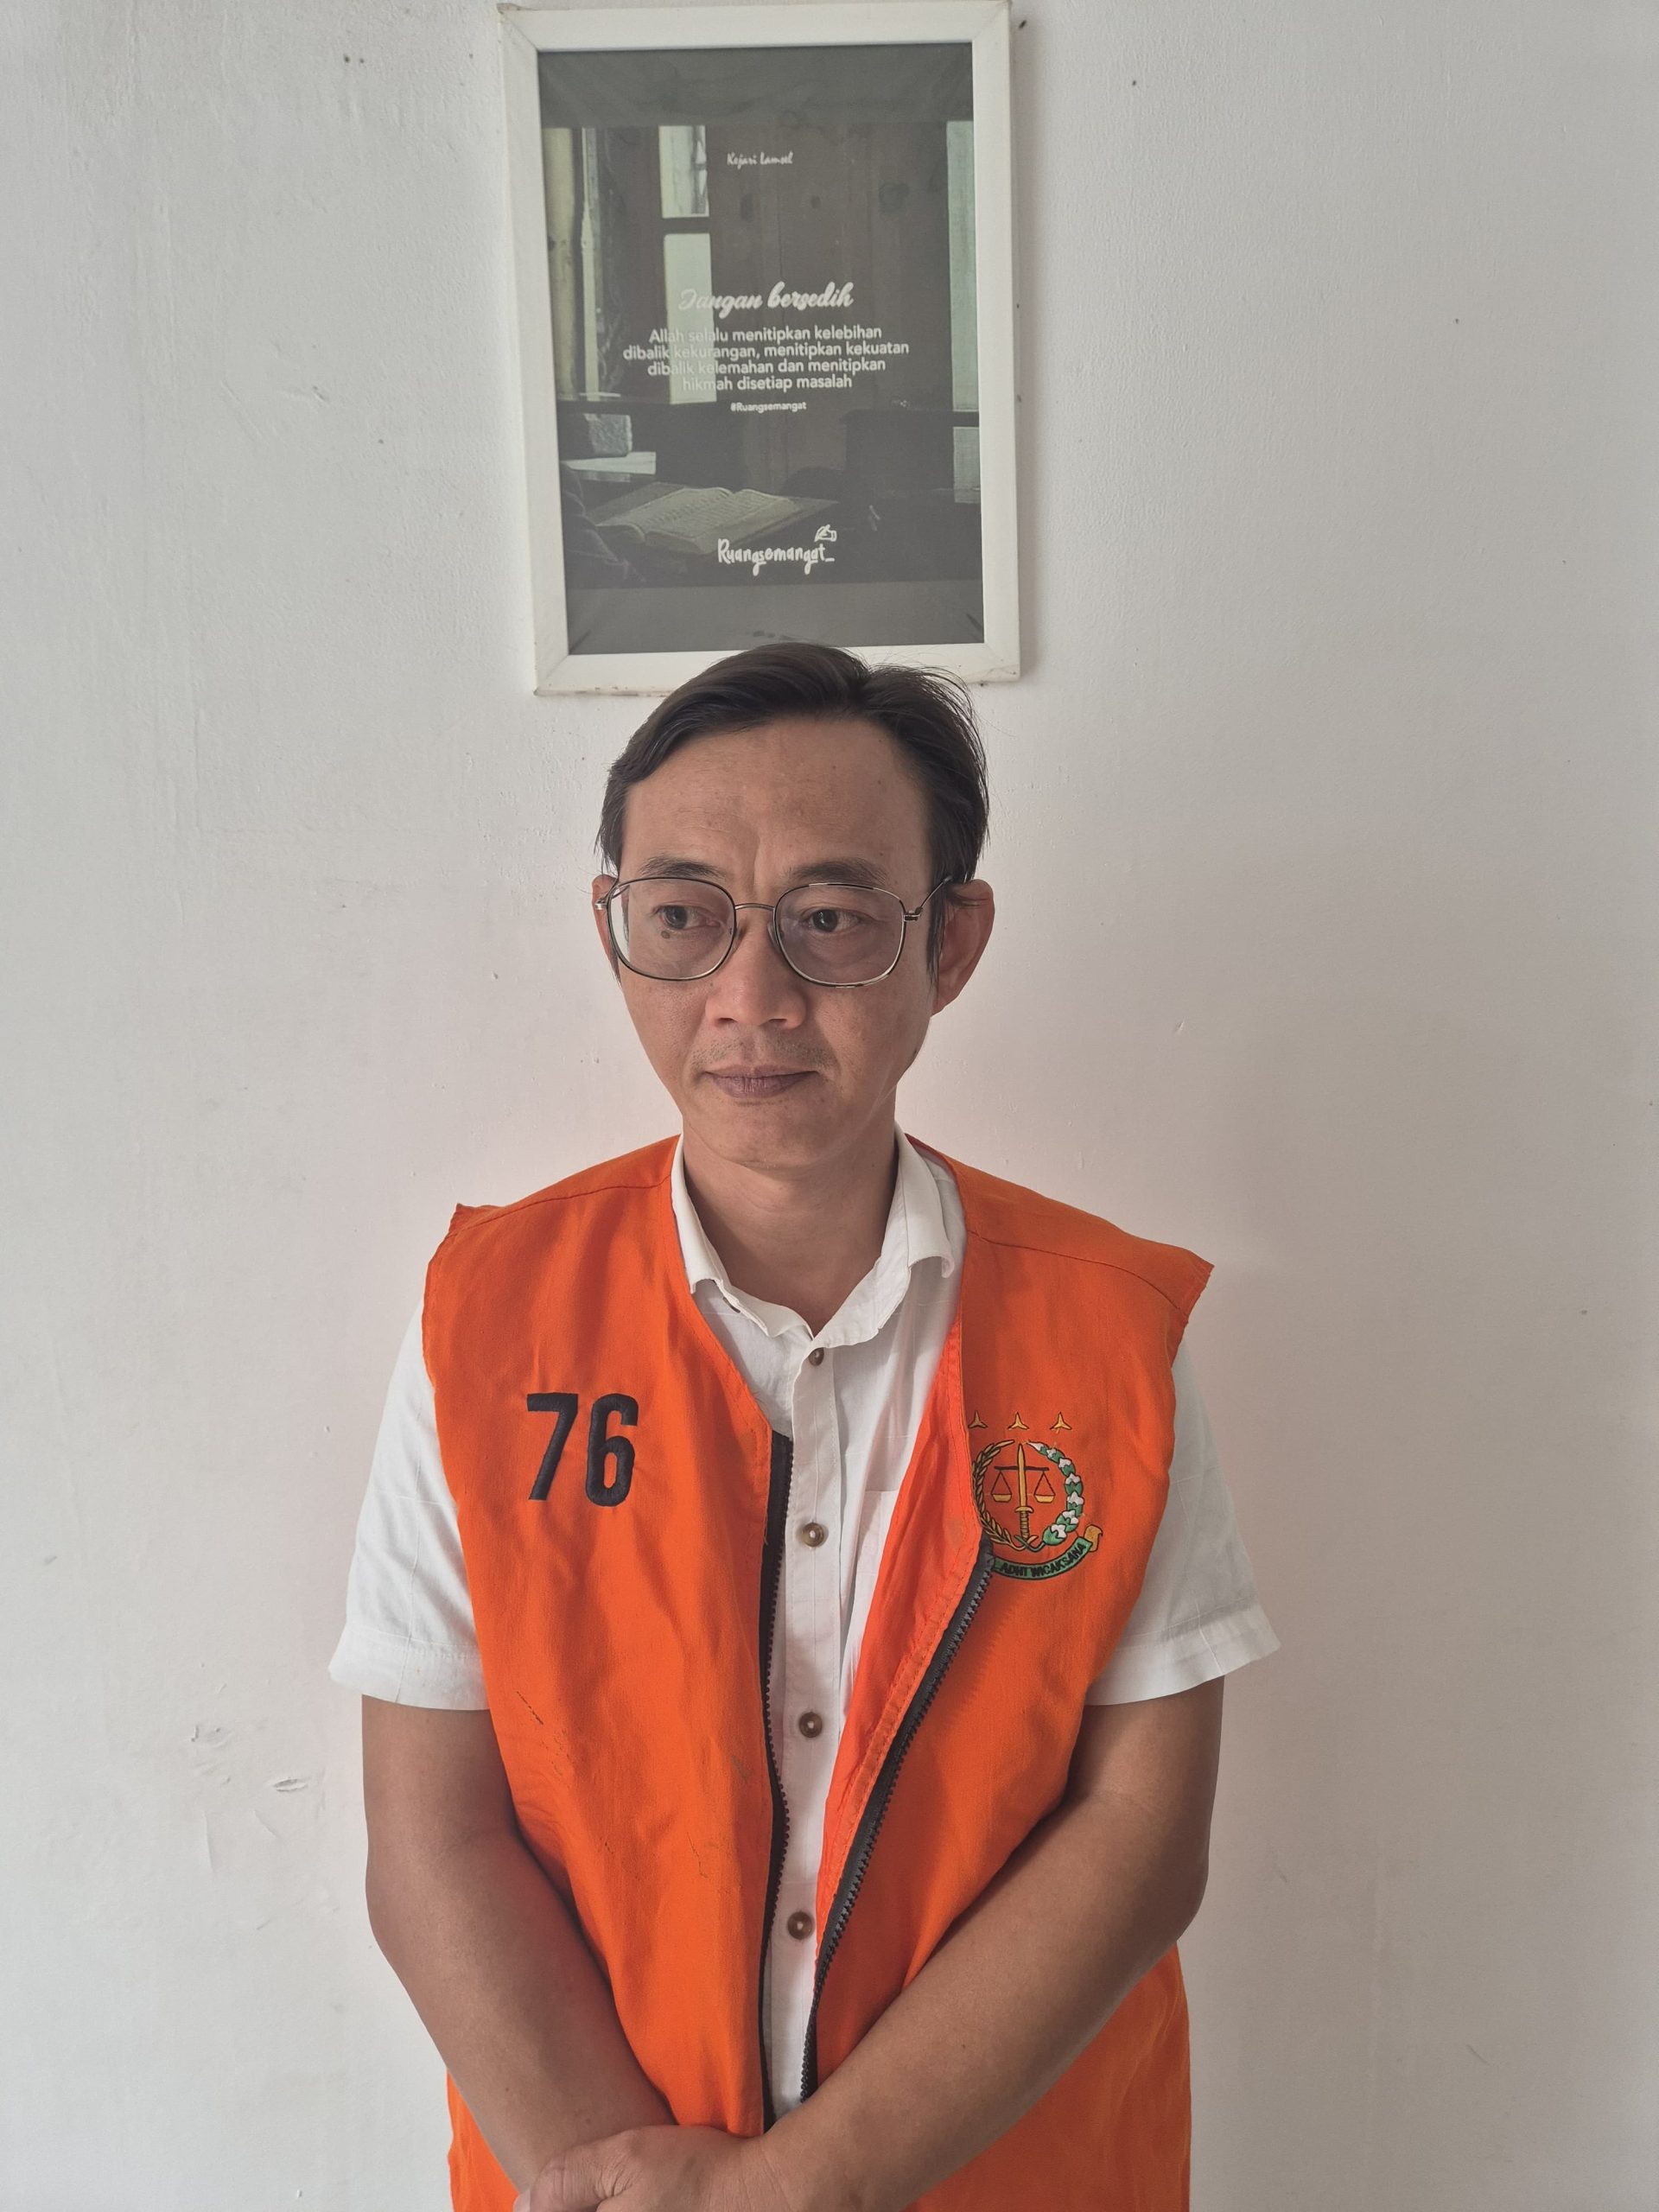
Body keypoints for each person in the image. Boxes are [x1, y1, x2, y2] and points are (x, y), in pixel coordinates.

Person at [328, 641, 1280, 2212]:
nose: (750, 999)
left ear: (950, 941)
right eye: (684, 916)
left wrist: (800, 2188)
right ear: (615, 930)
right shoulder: (488, 1322)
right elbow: (433, 1833)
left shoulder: (1110, 1337)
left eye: (830, 922)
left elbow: (1141, 1835)